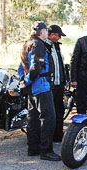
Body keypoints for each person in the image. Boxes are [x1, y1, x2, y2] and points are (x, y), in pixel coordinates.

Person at [20, 21, 60, 161]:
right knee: (49, 118)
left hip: (32, 87)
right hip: (41, 86)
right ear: (42, 32)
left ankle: (33, 148)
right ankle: (46, 151)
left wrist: (23, 80)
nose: (47, 33)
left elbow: (21, 65)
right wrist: (27, 81)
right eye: (46, 31)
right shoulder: (38, 44)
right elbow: (36, 66)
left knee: (33, 118)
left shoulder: (27, 43)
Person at [46, 24, 67, 142]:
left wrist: (64, 80)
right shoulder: (45, 46)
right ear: (52, 34)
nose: (59, 38)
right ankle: (48, 137)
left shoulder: (56, 47)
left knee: (59, 110)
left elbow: (60, 65)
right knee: (50, 112)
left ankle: (58, 136)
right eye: (58, 35)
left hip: (59, 84)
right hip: (50, 85)